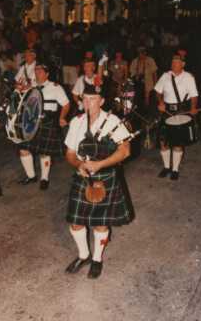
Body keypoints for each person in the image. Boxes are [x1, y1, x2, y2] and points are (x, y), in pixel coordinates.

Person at [64, 82, 132, 279]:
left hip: (105, 177)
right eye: (85, 99)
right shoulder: (76, 121)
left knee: (100, 224)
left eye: (93, 99)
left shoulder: (113, 121)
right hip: (82, 176)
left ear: (101, 101)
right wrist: (78, 164)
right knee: (76, 223)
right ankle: (83, 255)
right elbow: (69, 153)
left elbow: (125, 151)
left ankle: (97, 259)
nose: (88, 102)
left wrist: (101, 164)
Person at [18, 60, 70, 190]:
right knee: (23, 149)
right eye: (36, 70)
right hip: (30, 120)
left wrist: (62, 117)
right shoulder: (30, 86)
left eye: (40, 71)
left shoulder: (55, 87)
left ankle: (44, 178)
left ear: (47, 74)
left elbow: (66, 104)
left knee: (44, 152)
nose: (37, 72)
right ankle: (31, 176)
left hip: (47, 120)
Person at [154, 54, 199, 180]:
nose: (174, 64)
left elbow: (194, 95)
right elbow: (158, 91)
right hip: (166, 110)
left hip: (181, 111)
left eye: (177, 62)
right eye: (172, 62)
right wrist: (161, 102)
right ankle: (167, 167)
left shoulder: (189, 77)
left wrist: (193, 108)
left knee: (178, 142)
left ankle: (175, 169)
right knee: (163, 141)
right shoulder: (165, 76)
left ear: (183, 64)